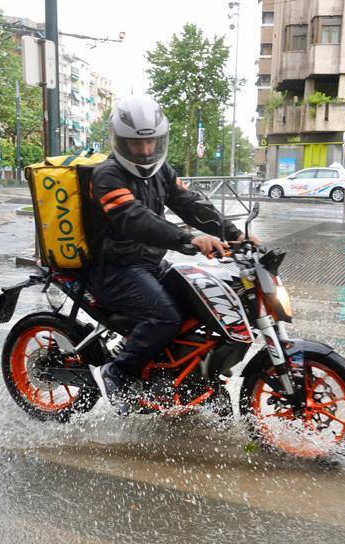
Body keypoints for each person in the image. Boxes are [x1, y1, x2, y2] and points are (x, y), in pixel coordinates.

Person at [86, 94, 246, 414]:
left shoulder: (161, 171)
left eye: (152, 143)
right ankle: (118, 372)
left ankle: (185, 379)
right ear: (119, 141)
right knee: (165, 316)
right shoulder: (107, 175)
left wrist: (235, 234)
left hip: (148, 263)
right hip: (113, 267)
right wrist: (189, 239)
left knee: (200, 304)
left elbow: (191, 204)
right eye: (136, 144)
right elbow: (134, 219)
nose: (145, 151)